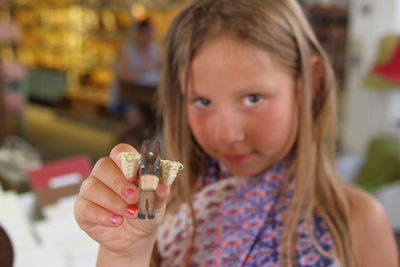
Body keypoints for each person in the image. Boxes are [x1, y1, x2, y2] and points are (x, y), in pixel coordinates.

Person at [74, 0, 399, 266]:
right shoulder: (167, 213)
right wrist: (125, 251)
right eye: (202, 101)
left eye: (253, 98)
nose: (226, 134)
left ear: (308, 84)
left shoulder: (355, 222)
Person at [109, 18, 161, 142]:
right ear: (138, 34)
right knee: (137, 118)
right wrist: (142, 72)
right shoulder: (127, 51)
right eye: (145, 33)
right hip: (125, 98)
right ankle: (119, 141)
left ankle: (142, 146)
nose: (148, 36)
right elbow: (122, 75)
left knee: (158, 117)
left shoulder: (153, 50)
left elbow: (162, 68)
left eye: (150, 33)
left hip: (147, 98)